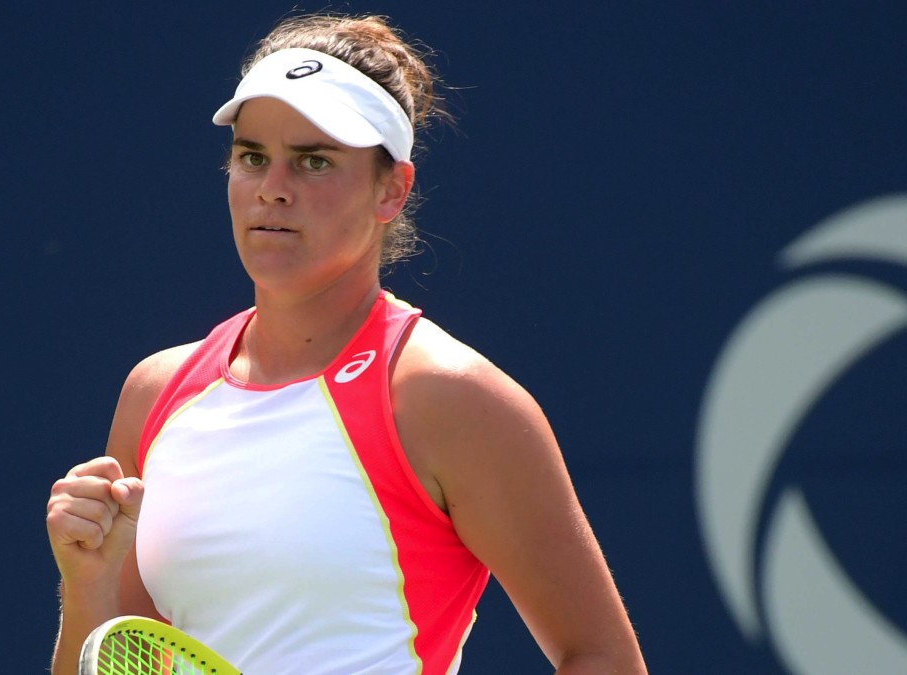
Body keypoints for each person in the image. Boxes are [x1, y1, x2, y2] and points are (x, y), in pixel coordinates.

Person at [46, 12, 647, 675]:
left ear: (392, 188)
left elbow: (601, 657)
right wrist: (87, 583)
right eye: (252, 156)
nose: (273, 187)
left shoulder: (448, 398)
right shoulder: (154, 393)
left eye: (314, 161)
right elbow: (124, 656)